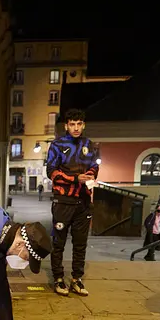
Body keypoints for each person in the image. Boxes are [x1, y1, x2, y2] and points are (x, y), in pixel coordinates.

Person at [45, 108, 99, 296]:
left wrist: (90, 177)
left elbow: (94, 167)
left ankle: (77, 279)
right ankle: (58, 279)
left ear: (83, 125)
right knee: (58, 242)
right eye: (72, 124)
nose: (76, 128)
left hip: (83, 202)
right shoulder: (57, 145)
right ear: (66, 126)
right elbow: (51, 172)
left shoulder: (90, 145)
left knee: (80, 243)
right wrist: (76, 179)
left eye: (79, 124)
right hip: (63, 201)